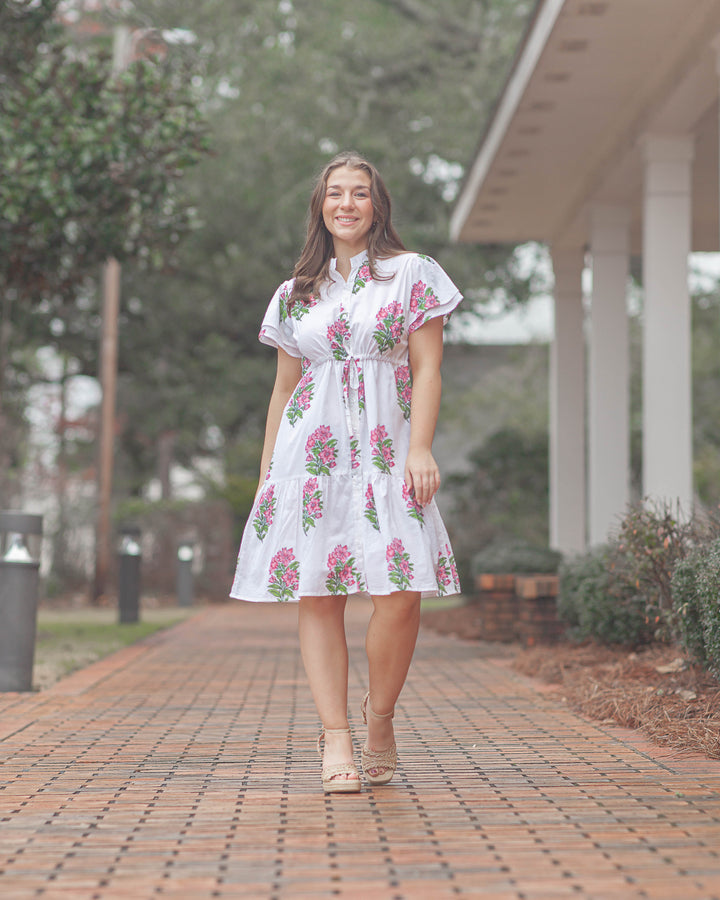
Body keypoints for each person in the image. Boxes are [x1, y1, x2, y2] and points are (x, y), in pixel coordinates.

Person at [230, 151, 462, 793]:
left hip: (389, 455)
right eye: (336, 193)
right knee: (318, 592)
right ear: (321, 206)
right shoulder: (295, 292)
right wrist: (268, 473)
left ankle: (378, 717)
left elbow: (429, 370)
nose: (347, 203)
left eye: (360, 192)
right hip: (310, 459)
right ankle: (335, 736)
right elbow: (284, 389)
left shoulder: (412, 273)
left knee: (401, 593)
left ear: (376, 205)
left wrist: (421, 449)